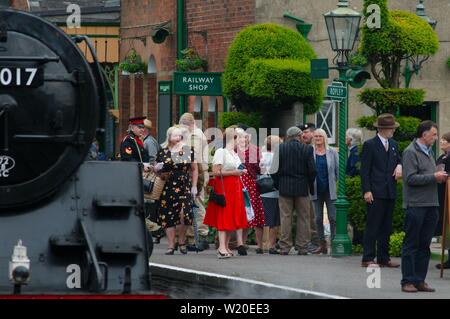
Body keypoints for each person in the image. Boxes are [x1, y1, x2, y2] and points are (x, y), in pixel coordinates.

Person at [401, 121, 447, 293]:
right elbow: (410, 179)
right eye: (434, 134)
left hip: (431, 204)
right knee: (411, 243)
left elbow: (426, 176)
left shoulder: (429, 152)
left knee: (424, 245)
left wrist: (437, 175)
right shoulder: (410, 152)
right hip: (416, 205)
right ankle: (407, 281)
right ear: (424, 134)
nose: (436, 138)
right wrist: (434, 176)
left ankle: (419, 280)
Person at [360, 113, 402, 268]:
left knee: (386, 226)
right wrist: (367, 190)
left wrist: (399, 165)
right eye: (391, 128)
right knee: (373, 225)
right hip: (375, 191)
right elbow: (365, 170)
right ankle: (368, 257)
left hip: (389, 190)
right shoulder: (370, 145)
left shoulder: (394, 144)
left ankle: (384, 257)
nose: (393, 131)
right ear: (383, 129)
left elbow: (398, 159)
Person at [271, 126, 317, 255]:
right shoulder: (307, 149)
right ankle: (302, 246)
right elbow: (312, 170)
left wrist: (278, 184)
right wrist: (309, 183)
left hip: (284, 187)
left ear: (288, 136)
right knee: (304, 217)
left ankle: (285, 246)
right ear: (299, 136)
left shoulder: (280, 148)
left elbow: (273, 170)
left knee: (285, 217)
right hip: (302, 187)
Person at [204, 127, 248, 258]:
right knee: (224, 216)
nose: (242, 140)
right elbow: (215, 172)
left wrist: (240, 172)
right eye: (239, 138)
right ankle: (221, 247)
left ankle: (226, 246)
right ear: (232, 138)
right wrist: (234, 172)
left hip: (235, 187)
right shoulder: (220, 152)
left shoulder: (234, 153)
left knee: (232, 217)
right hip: (224, 187)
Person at [155, 126, 198, 255]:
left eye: (180, 136)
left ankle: (182, 241)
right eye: (175, 136)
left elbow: (194, 168)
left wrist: (194, 186)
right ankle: (171, 245)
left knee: (185, 214)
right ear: (169, 137)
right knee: (168, 215)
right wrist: (156, 169)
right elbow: (157, 169)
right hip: (167, 185)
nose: (178, 138)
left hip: (183, 184)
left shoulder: (186, 149)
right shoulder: (162, 151)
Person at [179, 113, 211, 251]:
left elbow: (193, 157)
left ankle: (201, 237)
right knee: (193, 204)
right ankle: (193, 237)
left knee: (197, 205)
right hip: (196, 173)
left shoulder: (194, 136)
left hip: (197, 174)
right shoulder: (195, 134)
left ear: (189, 125)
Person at [236, 127, 265, 254]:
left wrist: (262, 165)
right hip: (237, 182)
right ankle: (240, 242)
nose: (244, 139)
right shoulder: (233, 150)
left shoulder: (255, 150)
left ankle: (251, 243)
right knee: (240, 212)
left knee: (252, 212)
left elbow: (260, 169)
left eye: (246, 136)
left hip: (251, 184)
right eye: (242, 137)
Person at [311, 128, 338, 254]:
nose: (317, 139)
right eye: (315, 136)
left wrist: (335, 184)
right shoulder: (310, 152)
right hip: (315, 189)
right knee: (318, 218)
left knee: (333, 217)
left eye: (320, 136)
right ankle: (321, 244)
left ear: (324, 138)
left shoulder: (332, 152)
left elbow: (337, 171)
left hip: (329, 189)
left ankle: (333, 242)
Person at [298, 123, 321, 253]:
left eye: (306, 132)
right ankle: (310, 242)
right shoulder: (303, 148)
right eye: (302, 133)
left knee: (314, 216)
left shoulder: (316, 148)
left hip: (317, 185)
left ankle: (317, 241)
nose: (304, 135)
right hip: (306, 186)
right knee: (309, 215)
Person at [260, 135, 282, 254]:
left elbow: (260, 170)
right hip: (275, 189)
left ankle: (262, 244)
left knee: (263, 219)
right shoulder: (278, 157)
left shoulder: (261, 155)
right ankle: (271, 244)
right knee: (274, 219)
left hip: (262, 188)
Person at [435, 132, 450, 270]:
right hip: (440, 193)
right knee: (445, 225)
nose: (441, 142)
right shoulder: (441, 157)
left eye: (444, 140)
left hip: (448, 193)